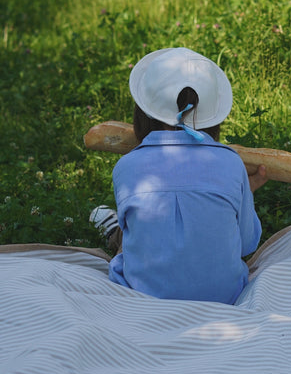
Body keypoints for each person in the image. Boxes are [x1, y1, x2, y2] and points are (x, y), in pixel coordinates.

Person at [90, 47, 267, 304]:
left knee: (132, 237)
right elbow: (247, 244)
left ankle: (113, 233)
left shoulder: (127, 167)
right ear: (213, 118)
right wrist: (240, 193)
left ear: (143, 114)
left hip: (142, 296)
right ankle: (114, 232)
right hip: (223, 297)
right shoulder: (232, 163)